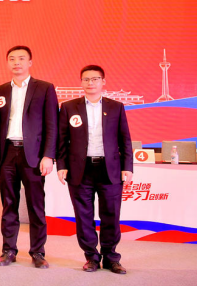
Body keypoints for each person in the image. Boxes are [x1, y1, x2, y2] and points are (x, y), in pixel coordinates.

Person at [56, 65, 133, 274]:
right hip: (80, 170)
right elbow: (62, 140)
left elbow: (125, 139)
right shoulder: (69, 107)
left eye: (95, 79)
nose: (90, 83)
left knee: (111, 215)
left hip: (110, 169)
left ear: (103, 81)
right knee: (83, 216)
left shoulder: (116, 107)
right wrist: (61, 165)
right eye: (86, 79)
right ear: (81, 82)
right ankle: (91, 257)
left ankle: (111, 257)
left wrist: (127, 167)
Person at [0, 45, 58, 268]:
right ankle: (8, 250)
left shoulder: (45, 88)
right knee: (8, 205)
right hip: (7, 153)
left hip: (34, 155)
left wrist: (48, 155)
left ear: (30, 62)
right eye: (12, 59)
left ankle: (37, 252)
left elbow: (52, 124)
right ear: (7, 63)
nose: (16, 62)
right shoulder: (0, 90)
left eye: (21, 58)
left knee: (35, 206)